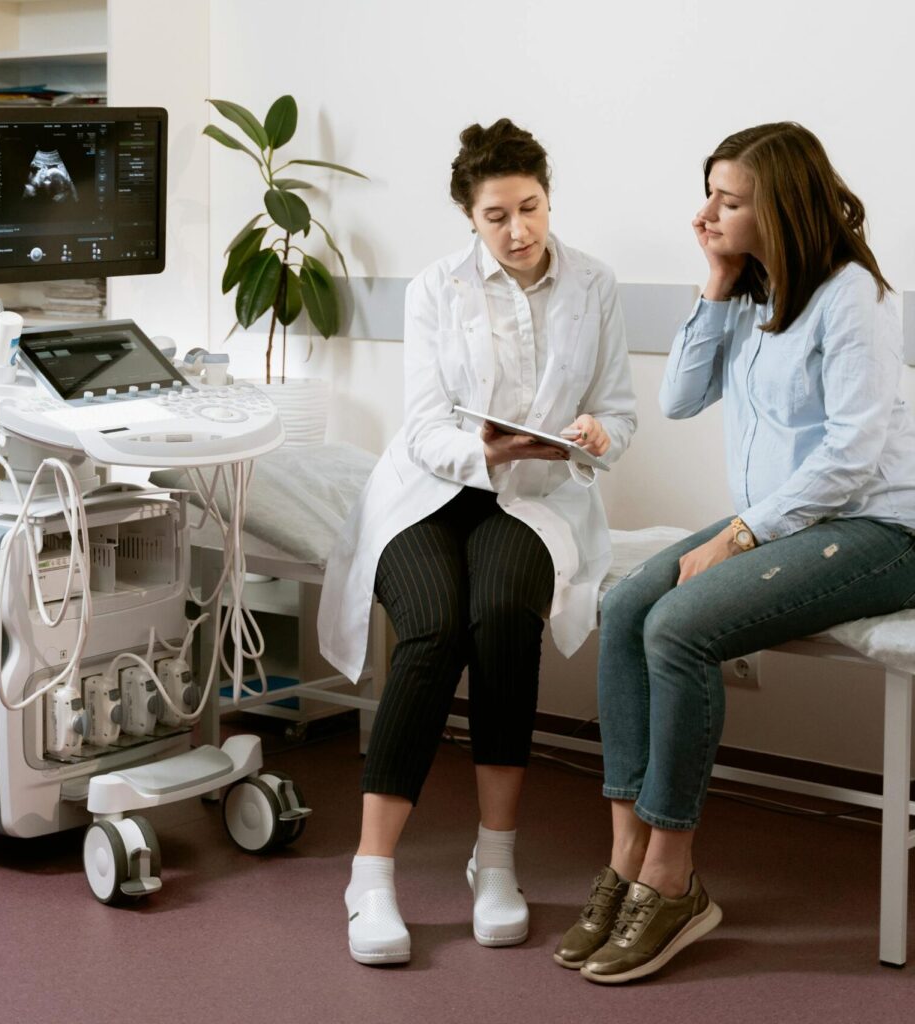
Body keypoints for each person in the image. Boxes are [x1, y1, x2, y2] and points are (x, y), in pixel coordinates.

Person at [555, 121, 915, 984]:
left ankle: (673, 880)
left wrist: (739, 534)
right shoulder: (754, 295)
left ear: (781, 205)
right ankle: (627, 858)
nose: (705, 213)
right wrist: (715, 286)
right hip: (790, 520)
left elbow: (855, 453)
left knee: (678, 626)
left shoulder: (853, 296)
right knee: (628, 601)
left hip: (879, 530)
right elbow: (679, 398)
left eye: (729, 199)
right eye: (708, 192)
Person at [317, 118, 637, 965]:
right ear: (469, 215)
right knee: (431, 630)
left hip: (535, 501)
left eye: (530, 208)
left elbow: (621, 407)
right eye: (497, 216)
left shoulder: (595, 285)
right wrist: (487, 447)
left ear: (547, 197)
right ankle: (371, 873)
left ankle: (495, 859)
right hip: (432, 492)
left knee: (501, 617)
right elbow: (424, 428)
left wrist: (601, 434)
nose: (520, 231)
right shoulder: (433, 289)